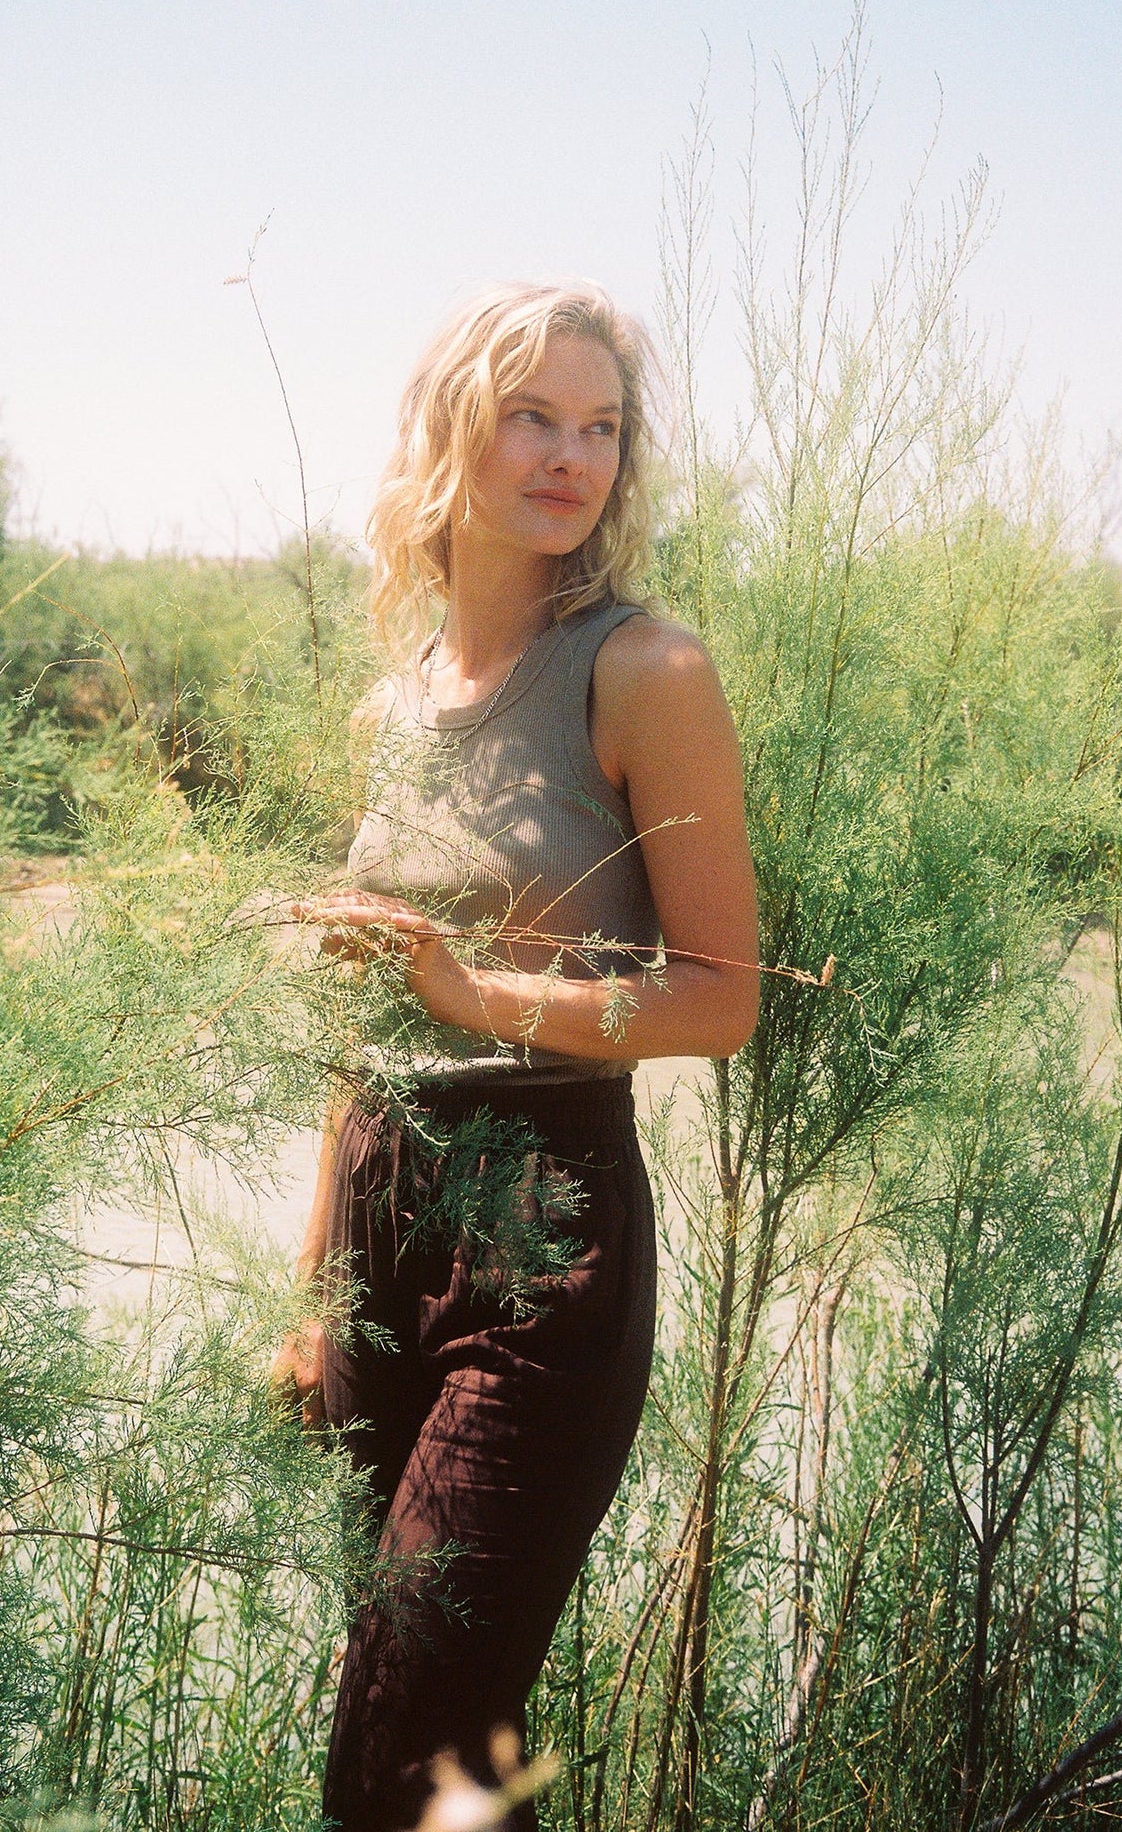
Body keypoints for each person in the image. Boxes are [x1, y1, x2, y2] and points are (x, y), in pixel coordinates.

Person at [276, 281, 759, 1832]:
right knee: (448, 1744)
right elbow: (367, 1019)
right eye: (531, 417)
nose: (572, 457)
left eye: (601, 426)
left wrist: (473, 991)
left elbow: (717, 998)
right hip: (377, 1215)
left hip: (544, 1236)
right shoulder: (391, 701)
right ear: (449, 435)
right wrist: (311, 1291)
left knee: (405, 1735)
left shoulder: (644, 672)